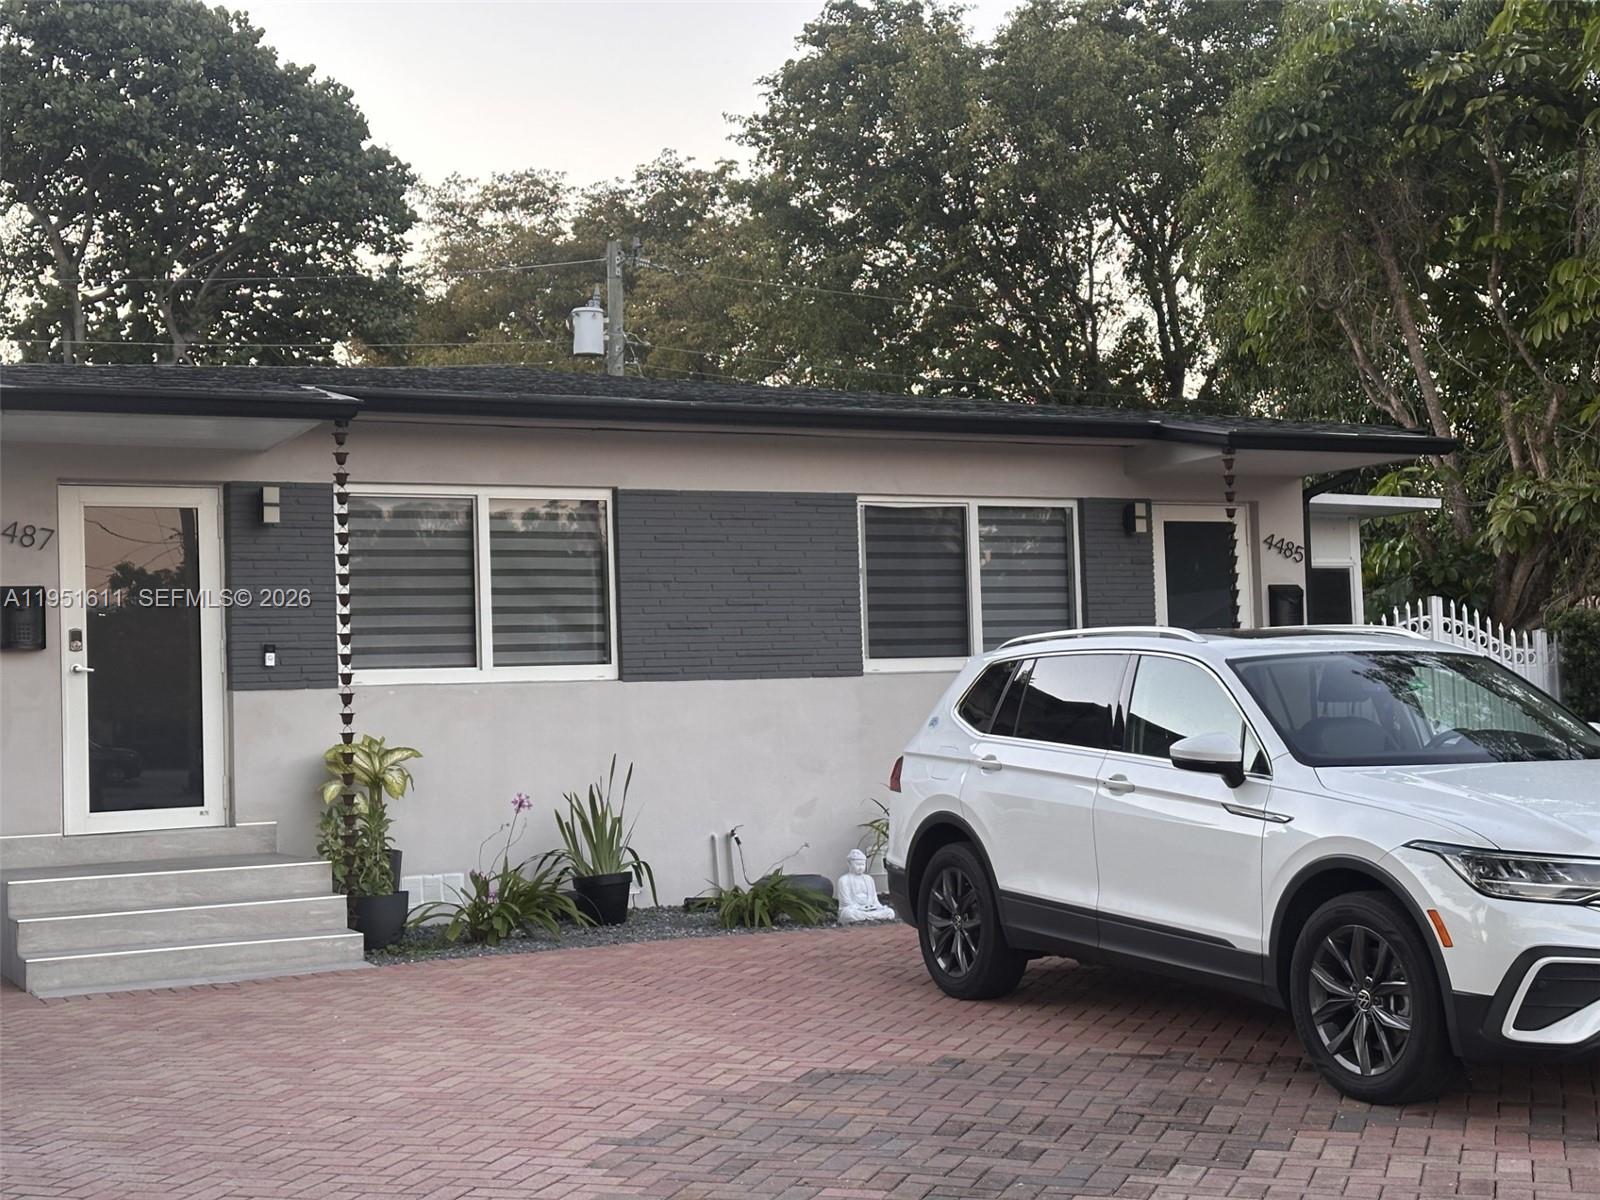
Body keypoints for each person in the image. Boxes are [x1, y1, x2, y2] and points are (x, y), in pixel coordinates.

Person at [837, 848, 895, 923]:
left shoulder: (869, 879)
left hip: (870, 908)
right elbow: (846, 903)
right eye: (858, 865)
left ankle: (868, 917)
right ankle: (872, 917)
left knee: (890, 912)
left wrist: (877, 907)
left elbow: (875, 900)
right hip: (855, 909)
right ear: (849, 864)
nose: (861, 867)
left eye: (863, 864)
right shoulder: (844, 880)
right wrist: (861, 908)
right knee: (848, 914)